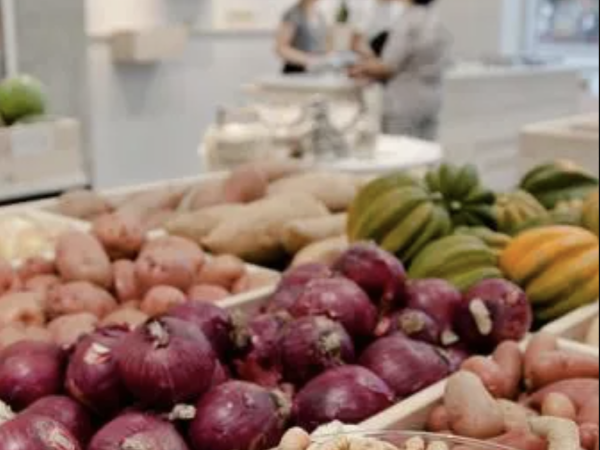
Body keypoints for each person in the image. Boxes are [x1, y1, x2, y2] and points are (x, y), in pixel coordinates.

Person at [349, 0, 451, 141]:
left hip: (404, 103)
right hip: (432, 100)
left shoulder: (407, 22)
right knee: (426, 153)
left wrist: (361, 68)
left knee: (401, 154)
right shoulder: (437, 21)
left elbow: (389, 66)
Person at [276, 0, 330, 74]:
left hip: (316, 71)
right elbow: (281, 48)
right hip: (296, 71)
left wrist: (327, 58)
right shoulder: (293, 14)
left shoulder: (320, 15)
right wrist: (310, 60)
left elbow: (322, 44)